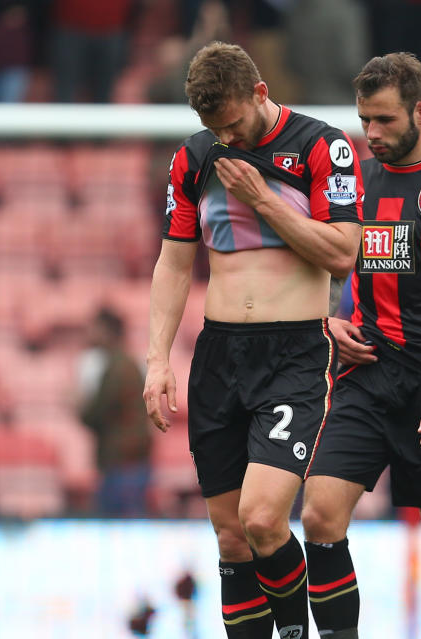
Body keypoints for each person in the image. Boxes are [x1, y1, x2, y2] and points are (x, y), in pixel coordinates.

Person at [142, 41, 364, 639]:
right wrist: (158, 359)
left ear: (260, 94)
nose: (228, 140)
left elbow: (344, 253)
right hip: (218, 355)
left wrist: (262, 199)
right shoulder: (194, 157)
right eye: (215, 129)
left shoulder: (321, 144)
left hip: (293, 351)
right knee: (232, 537)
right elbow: (173, 263)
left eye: (235, 124)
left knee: (264, 519)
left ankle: (297, 631)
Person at [299, 52, 421, 639]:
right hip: (365, 378)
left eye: (384, 120)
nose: (372, 133)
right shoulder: (356, 183)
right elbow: (320, 264)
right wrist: (324, 321)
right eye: (365, 120)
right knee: (319, 515)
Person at [77, 307, 153, 516]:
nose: (91, 335)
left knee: (117, 525)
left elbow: (95, 413)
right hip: (132, 460)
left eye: (95, 329)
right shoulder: (129, 365)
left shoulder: (116, 369)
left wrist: (77, 404)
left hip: (121, 463)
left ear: (107, 332)